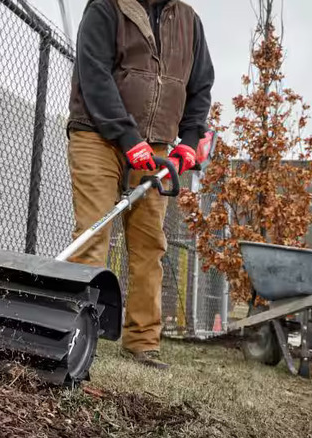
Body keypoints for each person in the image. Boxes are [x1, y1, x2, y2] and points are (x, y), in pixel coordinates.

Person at [66, 0, 214, 370]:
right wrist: (127, 136)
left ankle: (142, 343)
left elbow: (200, 89)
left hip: (157, 147)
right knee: (93, 234)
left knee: (150, 244)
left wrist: (191, 140)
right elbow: (94, 73)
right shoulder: (106, 7)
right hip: (98, 135)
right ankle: (74, 331)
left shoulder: (189, 22)